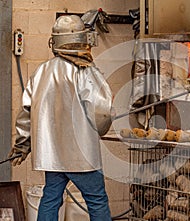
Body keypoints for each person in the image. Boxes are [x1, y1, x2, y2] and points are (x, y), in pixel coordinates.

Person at [8, 15, 113, 221]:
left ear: (54, 42)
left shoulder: (41, 72)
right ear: (83, 39)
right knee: (96, 199)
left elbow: (26, 113)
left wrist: (22, 145)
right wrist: (100, 128)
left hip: (52, 154)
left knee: (51, 198)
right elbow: (102, 111)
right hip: (82, 156)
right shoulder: (86, 71)